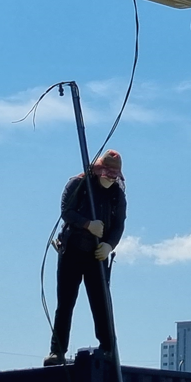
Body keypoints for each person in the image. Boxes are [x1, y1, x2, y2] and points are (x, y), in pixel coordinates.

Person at [46, 150, 127, 365]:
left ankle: (108, 349)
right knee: (65, 303)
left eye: (114, 176)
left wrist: (109, 245)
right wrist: (87, 224)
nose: (110, 180)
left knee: (101, 304)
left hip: (97, 255)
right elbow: (66, 211)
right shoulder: (78, 184)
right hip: (71, 250)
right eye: (107, 175)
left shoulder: (117, 195)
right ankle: (57, 351)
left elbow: (118, 225)